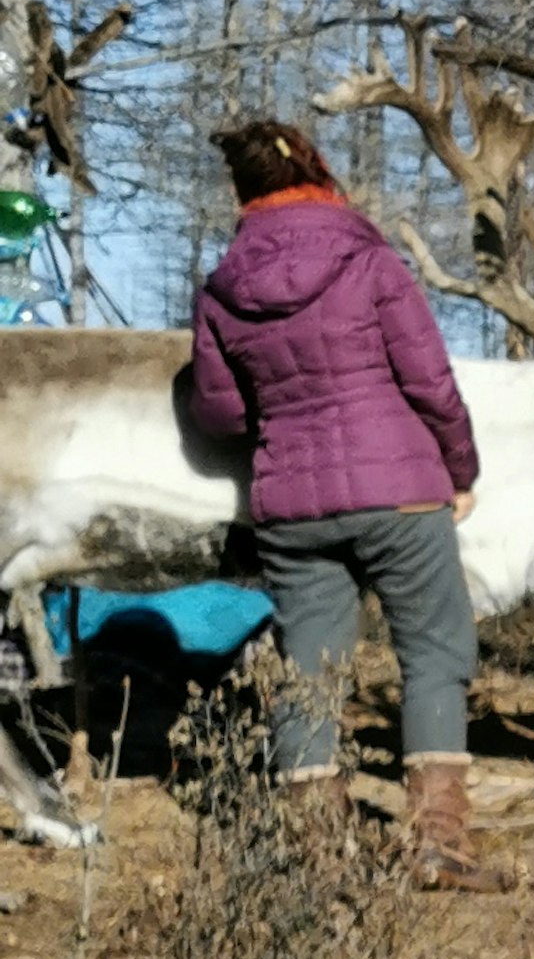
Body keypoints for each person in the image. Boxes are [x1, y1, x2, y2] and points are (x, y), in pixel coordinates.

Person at [186, 118, 504, 891]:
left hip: (291, 507)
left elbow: (222, 417)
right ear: (323, 176)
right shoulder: (369, 262)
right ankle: (437, 844)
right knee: (433, 652)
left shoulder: (221, 291)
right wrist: (460, 469)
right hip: (400, 496)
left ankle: (315, 854)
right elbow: (431, 383)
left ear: (242, 193)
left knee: (310, 671)